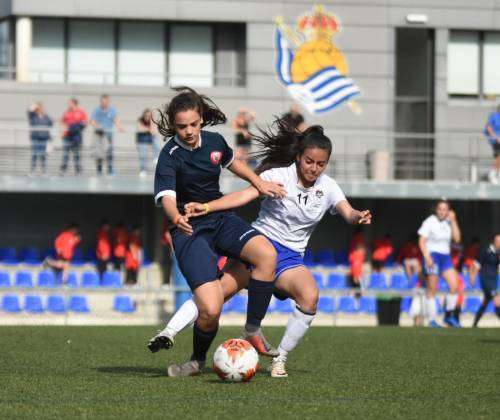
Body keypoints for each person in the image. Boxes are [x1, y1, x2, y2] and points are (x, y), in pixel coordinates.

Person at [151, 117, 372, 378]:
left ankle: (280, 358)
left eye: (321, 164)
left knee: (310, 298)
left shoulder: (329, 187)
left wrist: (357, 216)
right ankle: (173, 334)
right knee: (214, 296)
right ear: (298, 157)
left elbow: (347, 212)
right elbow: (242, 196)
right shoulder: (277, 176)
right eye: (309, 161)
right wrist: (208, 206)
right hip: (259, 245)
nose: (314, 168)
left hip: (289, 258)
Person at [149, 87, 286, 377]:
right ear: (174, 124)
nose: (188, 131)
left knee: (266, 255)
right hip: (189, 228)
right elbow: (167, 199)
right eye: (182, 126)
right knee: (210, 310)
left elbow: (233, 162)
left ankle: (252, 329)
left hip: (219, 217)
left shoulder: (214, 141)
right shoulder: (169, 155)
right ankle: (197, 361)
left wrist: (258, 183)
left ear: (201, 120)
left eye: (193, 124)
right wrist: (176, 217)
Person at [418, 199, 462, 328]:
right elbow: (422, 241)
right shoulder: (429, 221)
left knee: (454, 286)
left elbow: (457, 239)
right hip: (433, 256)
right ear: (436, 210)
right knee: (432, 288)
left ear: (448, 211)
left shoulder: (449, 222)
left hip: (445, 257)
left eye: (445, 209)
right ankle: (431, 320)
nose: (442, 212)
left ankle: (449, 316)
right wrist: (427, 257)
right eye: (440, 209)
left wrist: (454, 221)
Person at [90, 94, 123, 176]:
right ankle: (99, 171)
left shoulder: (112, 110)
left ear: (108, 102)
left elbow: (116, 119)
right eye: (102, 101)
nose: (103, 103)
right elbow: (92, 121)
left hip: (108, 135)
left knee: (109, 152)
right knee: (99, 153)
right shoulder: (97, 110)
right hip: (99, 135)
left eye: (105, 101)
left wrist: (119, 127)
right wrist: (99, 127)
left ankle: (110, 171)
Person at [472, 233, 500, 327]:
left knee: (486, 302)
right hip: (486, 279)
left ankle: (474, 324)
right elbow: (476, 265)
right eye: (498, 241)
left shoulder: (498, 253)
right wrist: (472, 277)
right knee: (497, 300)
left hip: (494, 280)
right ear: (493, 241)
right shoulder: (485, 251)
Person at [60, 98, 87, 175]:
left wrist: (75, 126)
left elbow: (84, 123)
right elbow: (62, 122)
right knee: (65, 154)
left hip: (77, 137)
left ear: (74, 103)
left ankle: (78, 171)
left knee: (77, 154)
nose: (68, 105)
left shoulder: (81, 112)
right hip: (67, 136)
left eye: (70, 103)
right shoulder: (66, 112)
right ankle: (63, 170)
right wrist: (62, 132)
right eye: (68, 103)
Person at [27, 102, 53, 176]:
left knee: (43, 156)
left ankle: (44, 171)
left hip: (44, 139)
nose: (40, 109)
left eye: (41, 107)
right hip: (35, 138)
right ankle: (32, 171)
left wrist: (51, 139)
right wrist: (34, 106)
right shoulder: (32, 116)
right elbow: (29, 110)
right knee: (34, 155)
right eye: (38, 108)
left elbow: (51, 125)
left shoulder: (47, 117)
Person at [136, 108, 159, 178]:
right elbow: (139, 129)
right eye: (146, 116)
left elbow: (153, 132)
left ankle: (155, 157)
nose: (147, 117)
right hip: (141, 140)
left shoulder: (152, 121)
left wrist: (151, 121)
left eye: (149, 116)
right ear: (143, 115)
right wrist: (148, 129)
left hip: (150, 139)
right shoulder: (140, 120)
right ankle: (142, 170)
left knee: (156, 142)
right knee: (143, 156)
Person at [484, 105, 500, 184]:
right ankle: (493, 173)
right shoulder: (494, 116)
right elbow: (488, 128)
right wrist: (496, 137)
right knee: (498, 156)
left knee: (498, 158)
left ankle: (496, 173)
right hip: (496, 140)